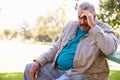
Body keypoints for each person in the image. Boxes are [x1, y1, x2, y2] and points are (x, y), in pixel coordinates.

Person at [24, 1, 118, 80]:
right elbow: (55, 48)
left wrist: (93, 27)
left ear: (94, 16)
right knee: (29, 68)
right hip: (58, 70)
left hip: (83, 73)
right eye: (79, 17)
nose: (82, 21)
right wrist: (38, 62)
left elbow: (110, 49)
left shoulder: (104, 29)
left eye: (85, 17)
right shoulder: (70, 26)